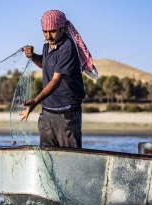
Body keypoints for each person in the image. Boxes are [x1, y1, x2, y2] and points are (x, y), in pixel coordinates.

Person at [20, 10, 97, 148]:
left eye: (53, 31)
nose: (48, 36)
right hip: (47, 112)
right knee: (48, 158)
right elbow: (45, 64)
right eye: (45, 31)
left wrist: (35, 101)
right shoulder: (47, 45)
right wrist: (33, 56)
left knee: (70, 159)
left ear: (62, 29)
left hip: (67, 113)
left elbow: (56, 80)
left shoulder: (68, 47)